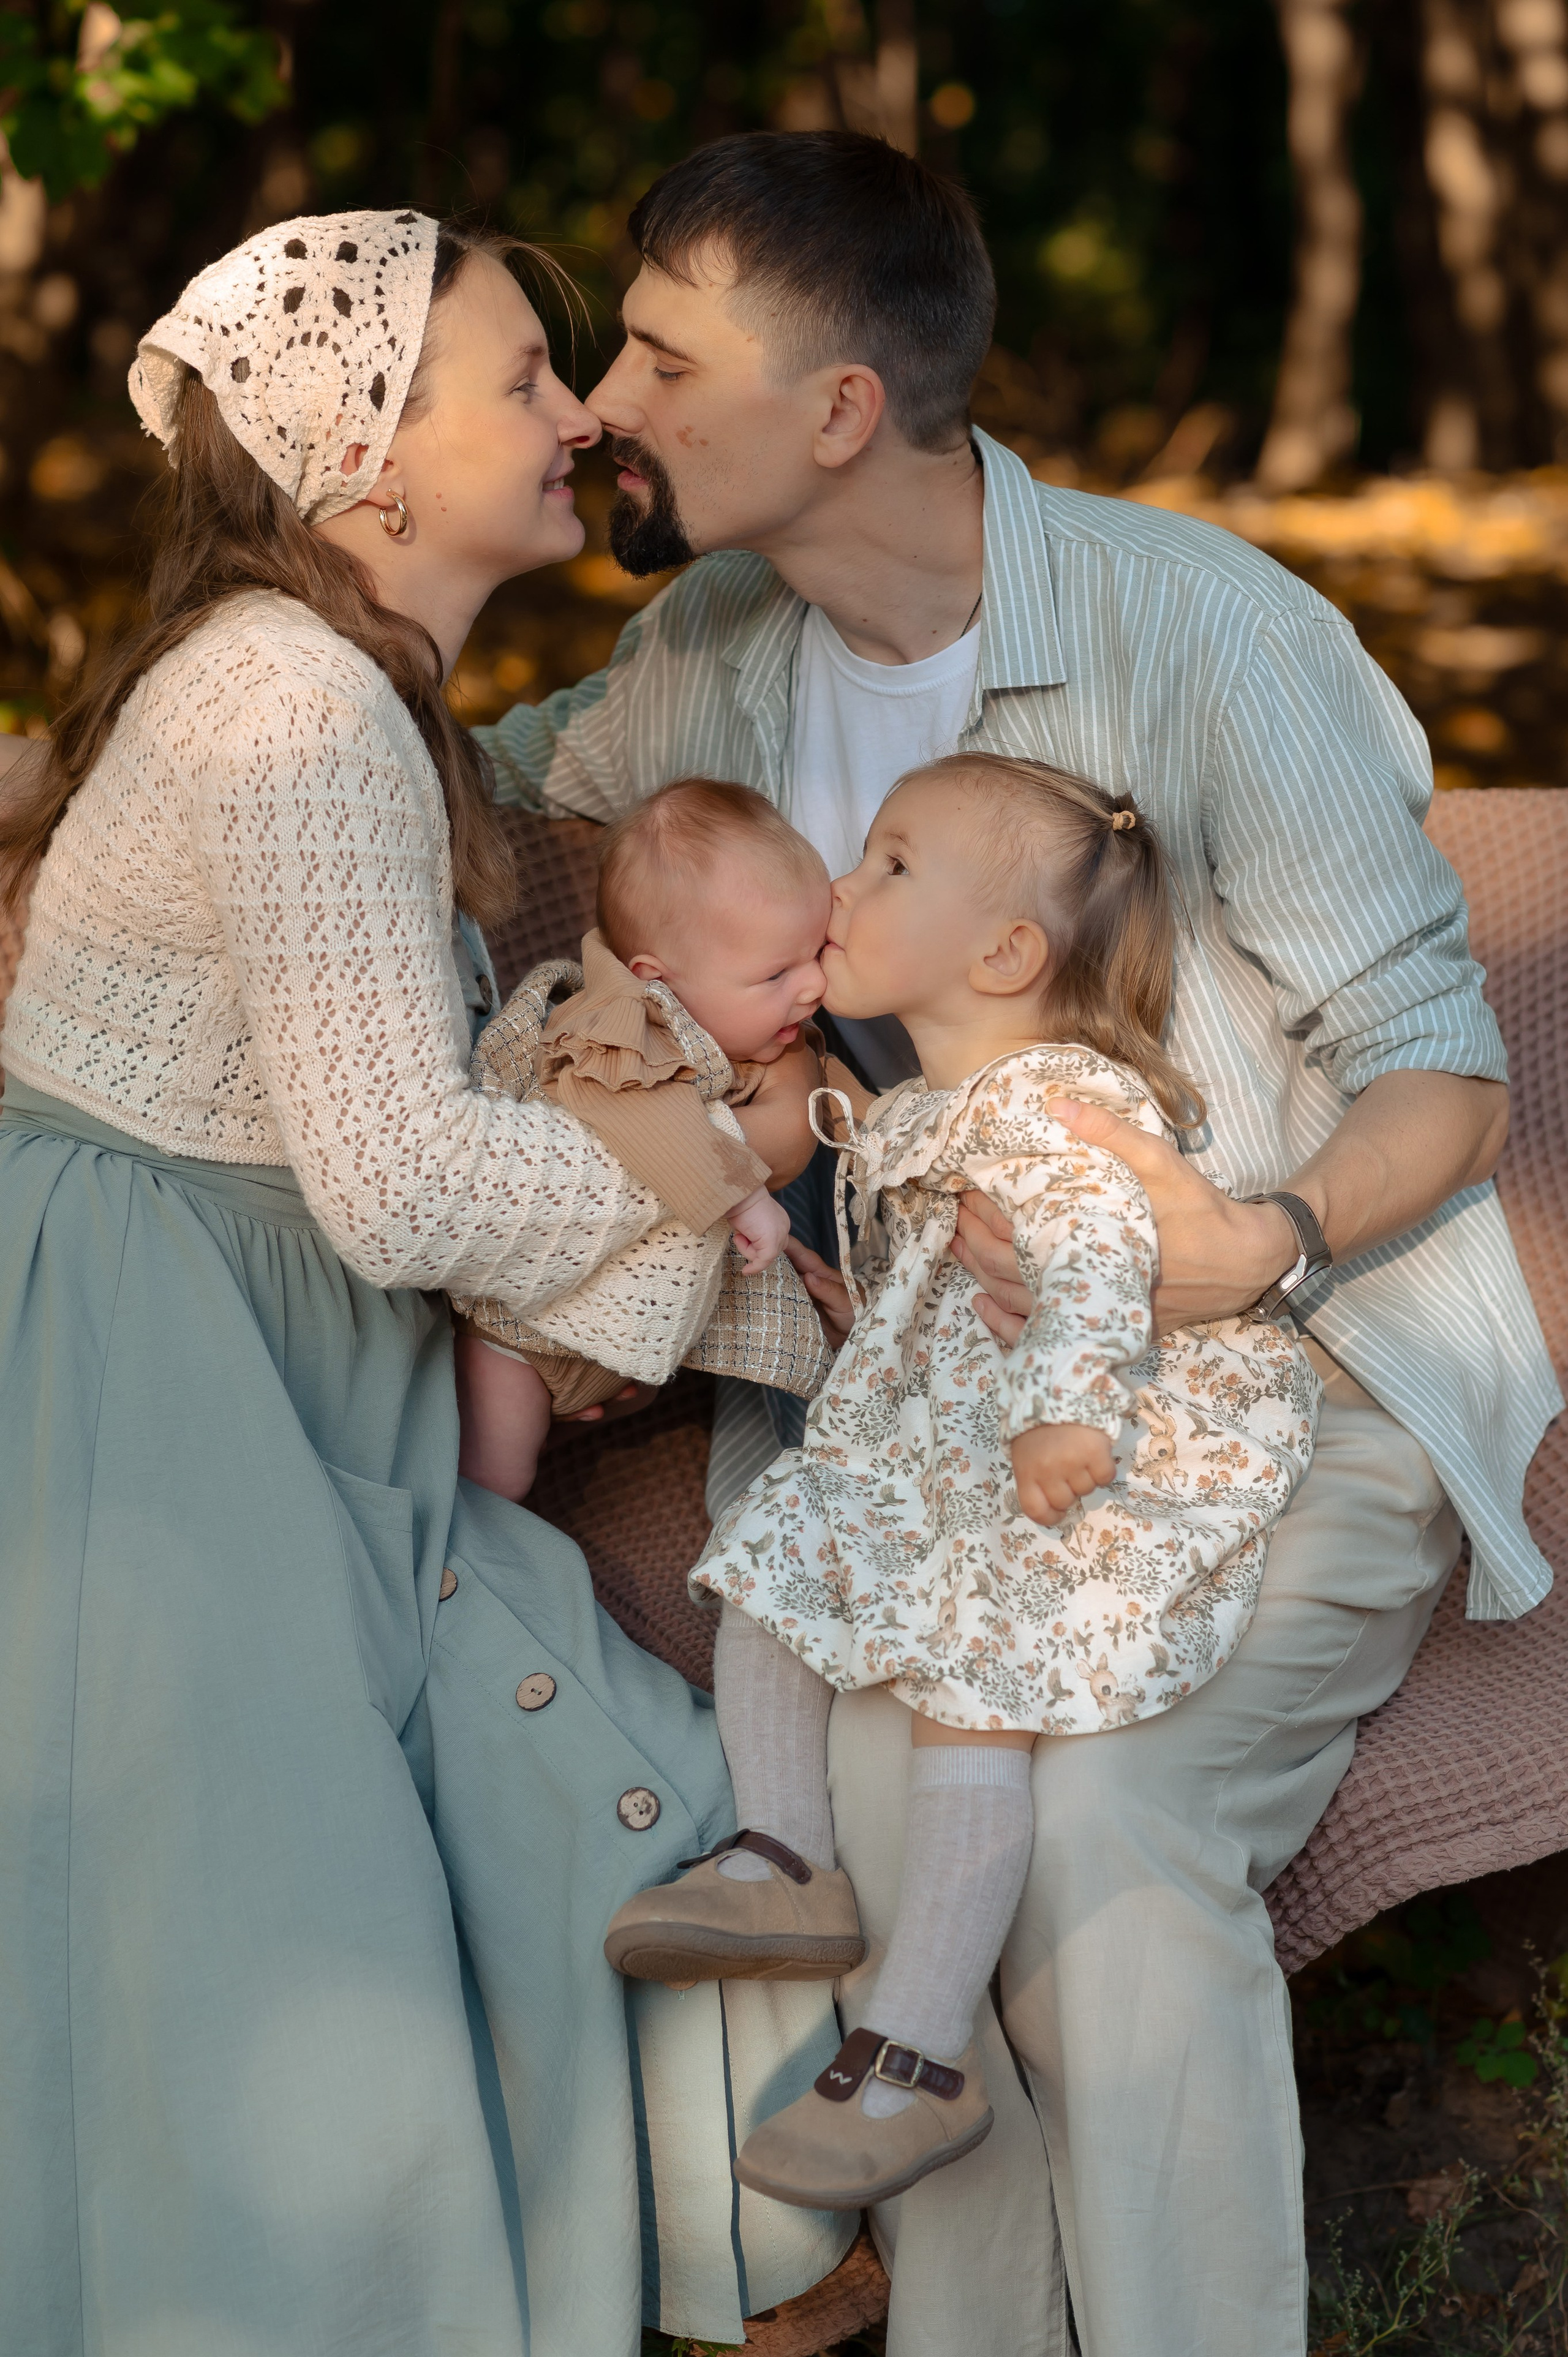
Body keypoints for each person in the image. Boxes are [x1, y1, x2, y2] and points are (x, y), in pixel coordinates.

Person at [475, 128, 1560, 2356]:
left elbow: (1444, 1079)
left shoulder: (1203, 632)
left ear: (836, 408)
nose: (599, 401)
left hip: (1298, 1345)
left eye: (657, 353)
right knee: (900, 1846)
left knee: (1109, 1841)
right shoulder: (711, 653)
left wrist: (1239, 1239)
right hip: (940, 1414)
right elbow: (473, 777)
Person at [0, 209, 848, 2357]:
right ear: (365, 467)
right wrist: (735, 1145)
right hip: (150, 1347)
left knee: (569, 1758)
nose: (579, 416)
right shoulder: (294, 709)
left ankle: (726, 2242)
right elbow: (396, 1184)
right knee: (295, 1928)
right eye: (518, 382)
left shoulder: (365, 689)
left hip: (242, 1309)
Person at [606, 752, 1319, 2214]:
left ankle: (916, 2049)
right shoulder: (932, 1100)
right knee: (776, 1549)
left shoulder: (1053, 1097)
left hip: (1072, 1439)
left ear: (1002, 952)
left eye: (885, 863)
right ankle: (780, 1852)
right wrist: (850, 1308)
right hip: (946, 1426)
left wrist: (1059, 1414)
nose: (838, 887)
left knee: (971, 1686)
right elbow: (942, 1272)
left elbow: (1098, 1246)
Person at [453, 776, 832, 1500]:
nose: (813, 983)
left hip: (610, 1334)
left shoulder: (731, 1029)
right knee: (492, 1480)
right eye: (778, 971)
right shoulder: (613, 1027)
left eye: (815, 951)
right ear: (657, 979)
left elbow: (825, 1096)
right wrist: (740, 1195)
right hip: (520, 1335)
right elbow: (645, 1116)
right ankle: (458, 1575)